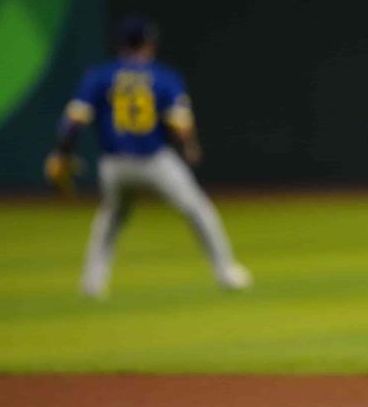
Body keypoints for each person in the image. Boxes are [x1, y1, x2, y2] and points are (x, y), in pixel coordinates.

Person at [44, 16, 251, 298]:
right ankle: (226, 272)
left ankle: (92, 283)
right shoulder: (164, 77)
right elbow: (180, 124)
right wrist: (190, 145)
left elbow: (73, 121)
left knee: (111, 218)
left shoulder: (100, 75)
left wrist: (62, 153)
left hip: (114, 164)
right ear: (148, 43)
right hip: (154, 160)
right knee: (198, 210)